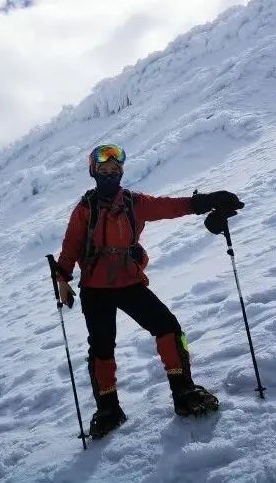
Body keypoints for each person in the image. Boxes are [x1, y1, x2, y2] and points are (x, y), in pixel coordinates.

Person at [55, 143, 244, 438]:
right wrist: (62, 279)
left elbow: (169, 206)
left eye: (115, 169)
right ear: (93, 172)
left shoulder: (134, 202)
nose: (110, 174)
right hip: (95, 289)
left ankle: (183, 392)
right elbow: (71, 246)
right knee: (102, 348)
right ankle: (108, 410)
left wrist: (206, 201)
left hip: (129, 283)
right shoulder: (84, 210)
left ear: (121, 172)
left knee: (167, 327)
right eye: (104, 170)